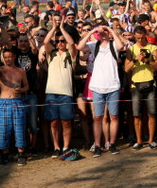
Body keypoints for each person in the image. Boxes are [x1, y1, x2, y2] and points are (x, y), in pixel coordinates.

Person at [77, 24, 125, 157]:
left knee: (113, 117)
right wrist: (92, 31)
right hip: (97, 87)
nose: (102, 33)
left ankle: (112, 144)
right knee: (97, 117)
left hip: (113, 86)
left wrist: (109, 30)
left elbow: (121, 46)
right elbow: (80, 47)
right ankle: (97, 145)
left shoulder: (113, 45)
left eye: (105, 32)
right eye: (101, 32)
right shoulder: (94, 45)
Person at [43, 18, 77, 158]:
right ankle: (56, 147)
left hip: (66, 93)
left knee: (66, 122)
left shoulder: (70, 55)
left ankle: (66, 147)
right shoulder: (52, 54)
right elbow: (45, 42)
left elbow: (72, 43)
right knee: (53, 122)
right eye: (58, 41)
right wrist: (54, 28)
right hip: (51, 93)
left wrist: (62, 28)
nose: (60, 43)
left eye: (62, 41)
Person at [0, 48, 29, 166]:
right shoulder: (0, 70)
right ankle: (4, 156)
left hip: (18, 101)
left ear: (14, 57)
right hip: (4, 102)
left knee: (20, 129)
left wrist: (21, 89)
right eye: (5, 57)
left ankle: (21, 155)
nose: (7, 59)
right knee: (3, 131)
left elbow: (27, 86)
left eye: (9, 57)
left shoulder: (21, 71)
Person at [125, 25, 157, 149]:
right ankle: (139, 141)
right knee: (137, 115)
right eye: (138, 38)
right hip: (136, 85)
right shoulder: (131, 49)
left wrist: (147, 61)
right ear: (134, 36)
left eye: (142, 37)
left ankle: (151, 140)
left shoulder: (153, 48)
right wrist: (135, 60)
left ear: (146, 35)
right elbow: (126, 68)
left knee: (151, 113)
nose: (140, 40)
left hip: (150, 83)